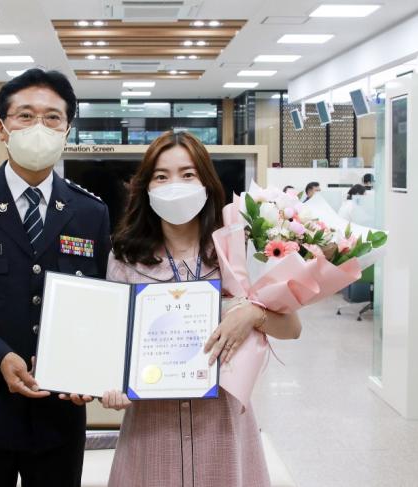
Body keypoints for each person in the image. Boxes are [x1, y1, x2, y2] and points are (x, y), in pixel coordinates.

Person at [0, 68, 111, 487]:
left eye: (53, 117)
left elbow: (101, 300)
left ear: (67, 131)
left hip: (60, 412)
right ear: (2, 128)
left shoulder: (90, 212)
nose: (39, 127)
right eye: (25, 116)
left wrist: (89, 365)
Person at [102, 130, 302, 487]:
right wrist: (110, 384)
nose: (174, 186)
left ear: (206, 184)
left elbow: (292, 328)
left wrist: (252, 315)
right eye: (161, 176)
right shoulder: (125, 257)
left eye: (187, 174)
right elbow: (111, 342)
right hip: (152, 426)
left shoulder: (237, 248)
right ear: (146, 188)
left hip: (223, 423)